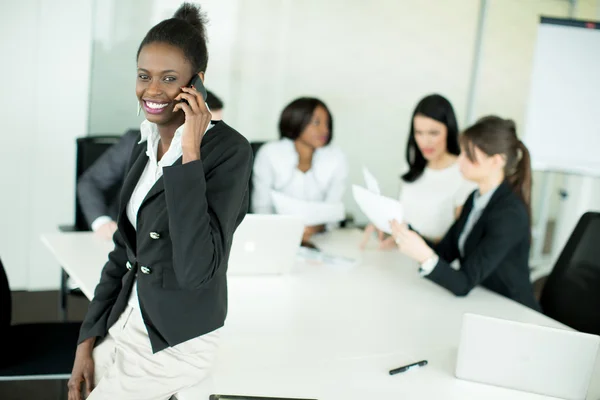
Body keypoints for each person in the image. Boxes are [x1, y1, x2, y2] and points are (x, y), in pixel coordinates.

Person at [67, 4, 253, 400]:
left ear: (196, 83)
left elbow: (196, 270)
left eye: (169, 78)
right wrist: (88, 340)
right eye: (144, 76)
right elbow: (123, 252)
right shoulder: (144, 140)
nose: (152, 90)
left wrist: (189, 153)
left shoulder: (229, 151)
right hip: (124, 320)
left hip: (174, 339)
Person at [390, 116, 539, 310]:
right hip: (482, 302)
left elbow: (463, 283)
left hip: (512, 311)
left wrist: (425, 257)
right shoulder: (475, 199)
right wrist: (406, 232)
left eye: (469, 156)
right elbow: (444, 252)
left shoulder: (510, 214)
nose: (460, 160)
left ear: (496, 161)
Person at [78, 90, 225, 240]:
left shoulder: (219, 155)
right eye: (205, 126)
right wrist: (101, 223)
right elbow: (91, 182)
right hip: (125, 238)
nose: (211, 134)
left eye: (216, 127)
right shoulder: (135, 142)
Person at [362, 94, 475, 249]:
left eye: (433, 133)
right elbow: (407, 219)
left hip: (434, 263)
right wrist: (386, 228)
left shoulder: (463, 174)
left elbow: (456, 243)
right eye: (419, 133)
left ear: (449, 130)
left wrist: (411, 238)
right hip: (400, 255)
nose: (424, 141)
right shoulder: (410, 167)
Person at [251, 97, 348, 243]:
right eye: (316, 122)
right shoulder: (269, 153)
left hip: (320, 238)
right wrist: (287, 231)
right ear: (296, 121)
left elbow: (333, 211)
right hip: (274, 237)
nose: (324, 130)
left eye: (327, 124)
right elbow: (261, 208)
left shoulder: (336, 157)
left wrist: (312, 230)